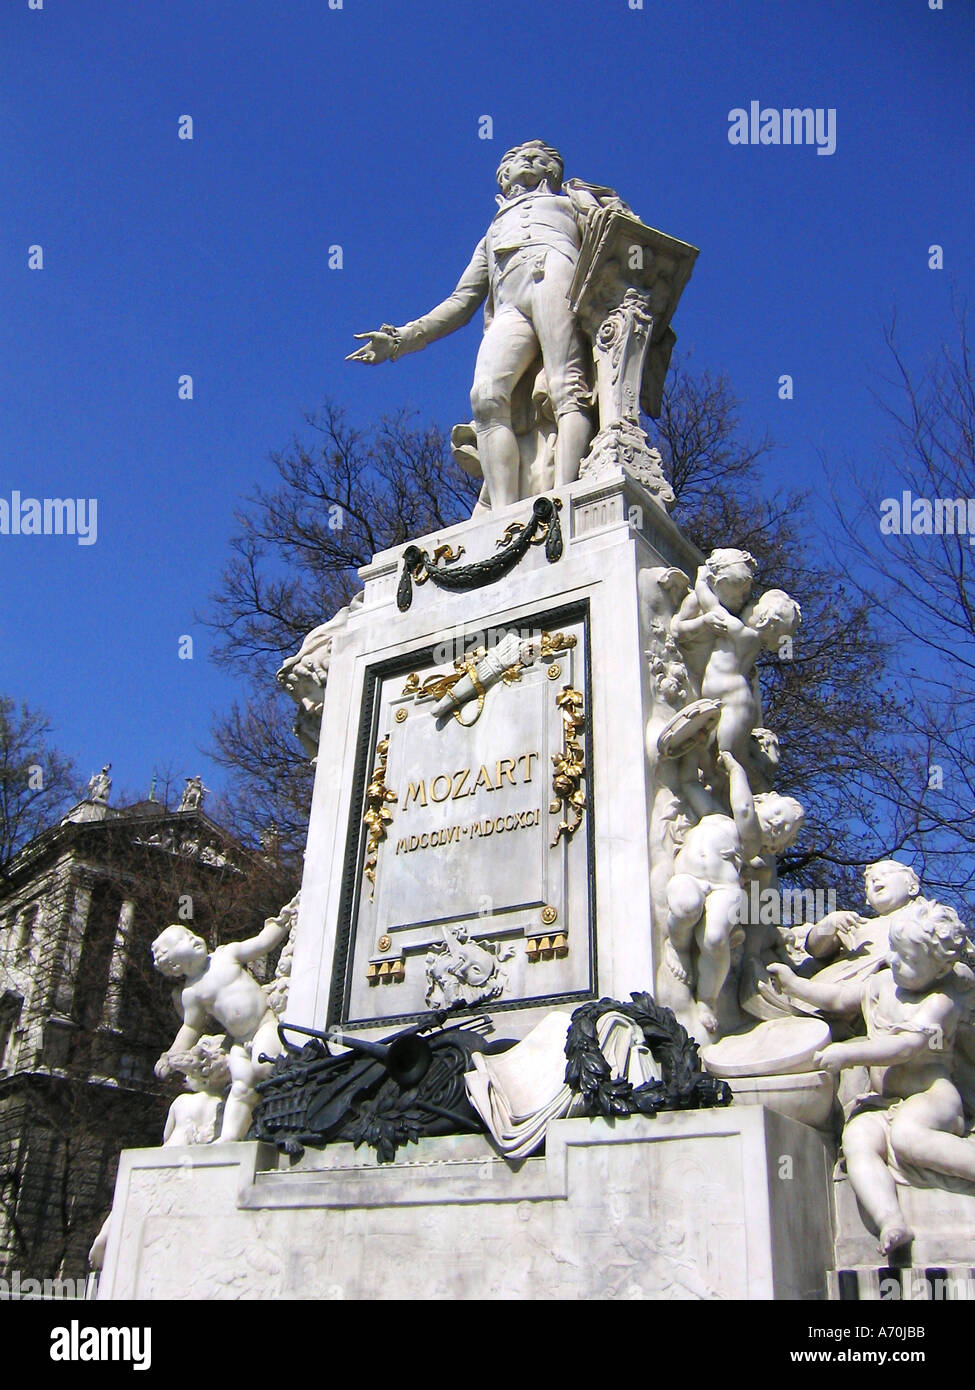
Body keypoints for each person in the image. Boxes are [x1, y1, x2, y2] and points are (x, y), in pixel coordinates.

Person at [348, 140, 630, 509]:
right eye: (514, 158)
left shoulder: (572, 200)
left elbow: (617, 236)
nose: (527, 159)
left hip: (557, 275)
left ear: (552, 171)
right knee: (485, 398)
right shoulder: (491, 234)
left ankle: (565, 496)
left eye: (538, 157)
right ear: (502, 176)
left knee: (566, 384)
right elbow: (461, 302)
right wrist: (401, 338)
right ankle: (504, 514)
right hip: (509, 306)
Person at [766, 899, 975, 1255]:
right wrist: (793, 985)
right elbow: (837, 997)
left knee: (908, 1136)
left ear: (940, 970)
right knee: (857, 1138)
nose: (894, 961)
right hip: (882, 1101)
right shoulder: (882, 982)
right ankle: (890, 1221)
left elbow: (905, 1047)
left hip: (933, 1096)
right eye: (894, 951)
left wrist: (848, 1054)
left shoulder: (942, 1000)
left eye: (907, 959)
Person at [665, 749, 804, 1034]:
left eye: (784, 830)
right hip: (689, 877)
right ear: (762, 801)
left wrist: (735, 768)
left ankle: (706, 999)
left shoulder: (750, 840)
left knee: (715, 939)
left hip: (724, 889)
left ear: (774, 847)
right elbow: (689, 783)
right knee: (684, 906)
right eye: (778, 814)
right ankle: (677, 947)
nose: (778, 824)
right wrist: (693, 745)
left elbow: (743, 809)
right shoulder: (715, 814)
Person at [151, 901, 295, 1142]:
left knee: (263, 1066)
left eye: (189, 933)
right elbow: (191, 1027)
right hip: (240, 1041)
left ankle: (284, 1114)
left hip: (264, 1024)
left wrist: (283, 921)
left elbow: (261, 943)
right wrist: (170, 1055)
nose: (193, 938)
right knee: (241, 1086)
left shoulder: (225, 954)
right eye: (183, 941)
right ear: (176, 967)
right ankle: (228, 1137)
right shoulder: (191, 993)